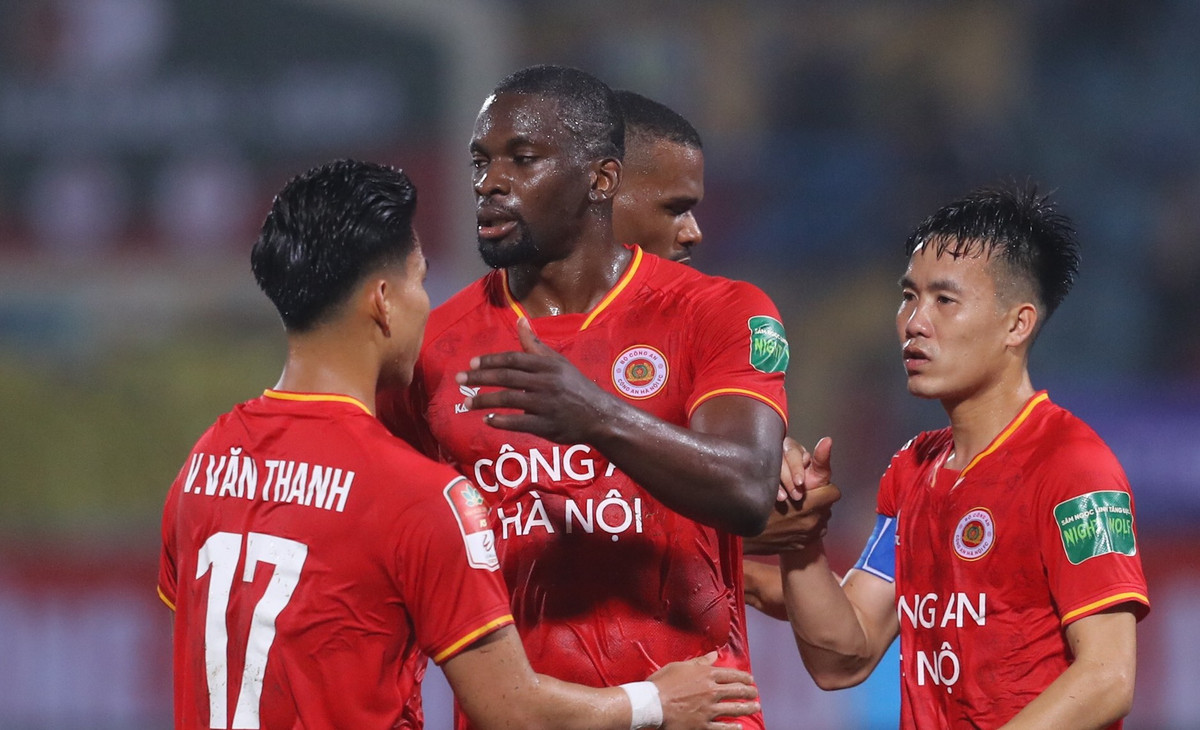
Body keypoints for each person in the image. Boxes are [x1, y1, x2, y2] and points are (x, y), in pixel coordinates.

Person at [157, 158, 761, 730]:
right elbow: (512, 710)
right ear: (384, 302)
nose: (429, 305)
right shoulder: (417, 494)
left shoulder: (204, 464)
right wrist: (656, 701)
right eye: (420, 281)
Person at [378, 65, 789, 730]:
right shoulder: (432, 350)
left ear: (601, 179)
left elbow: (747, 488)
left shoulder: (716, 312)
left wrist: (595, 415)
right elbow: (389, 544)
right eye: (481, 161)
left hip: (698, 715)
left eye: (522, 159)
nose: (490, 182)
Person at [778, 185, 1150, 728]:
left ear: (1017, 324)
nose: (914, 322)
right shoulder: (912, 470)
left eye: (944, 301)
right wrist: (799, 537)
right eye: (909, 296)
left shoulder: (1074, 467)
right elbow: (843, 658)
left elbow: (1107, 677)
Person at [610, 88, 841, 620]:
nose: (694, 233)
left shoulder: (723, 317)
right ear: (600, 190)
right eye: (675, 209)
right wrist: (725, 524)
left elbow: (847, 651)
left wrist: (756, 497)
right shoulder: (469, 342)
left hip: (700, 670)